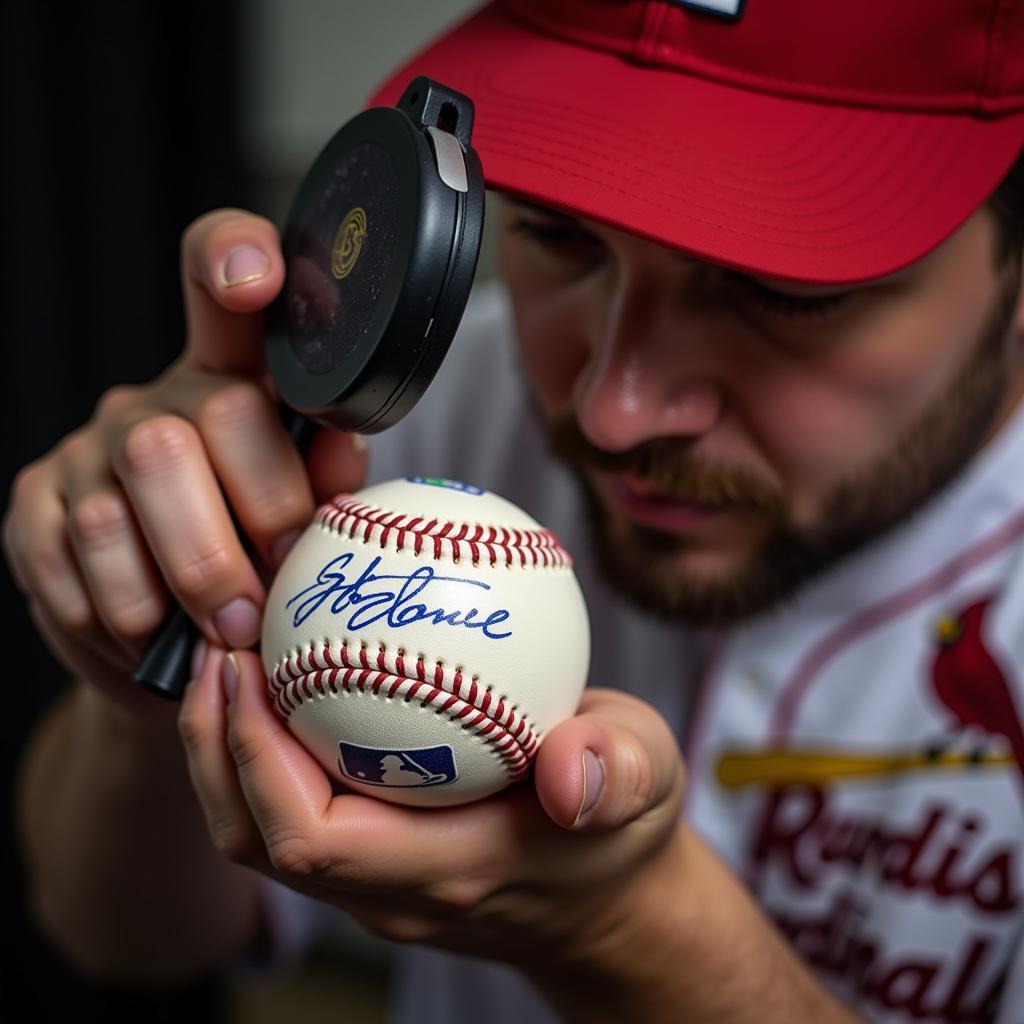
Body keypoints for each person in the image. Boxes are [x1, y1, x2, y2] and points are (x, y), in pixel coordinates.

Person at [6, 0, 1024, 1021]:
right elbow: (116, 932)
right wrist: (154, 675)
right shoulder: (429, 404)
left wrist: (628, 933)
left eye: (784, 290)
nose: (611, 410)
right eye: (557, 235)